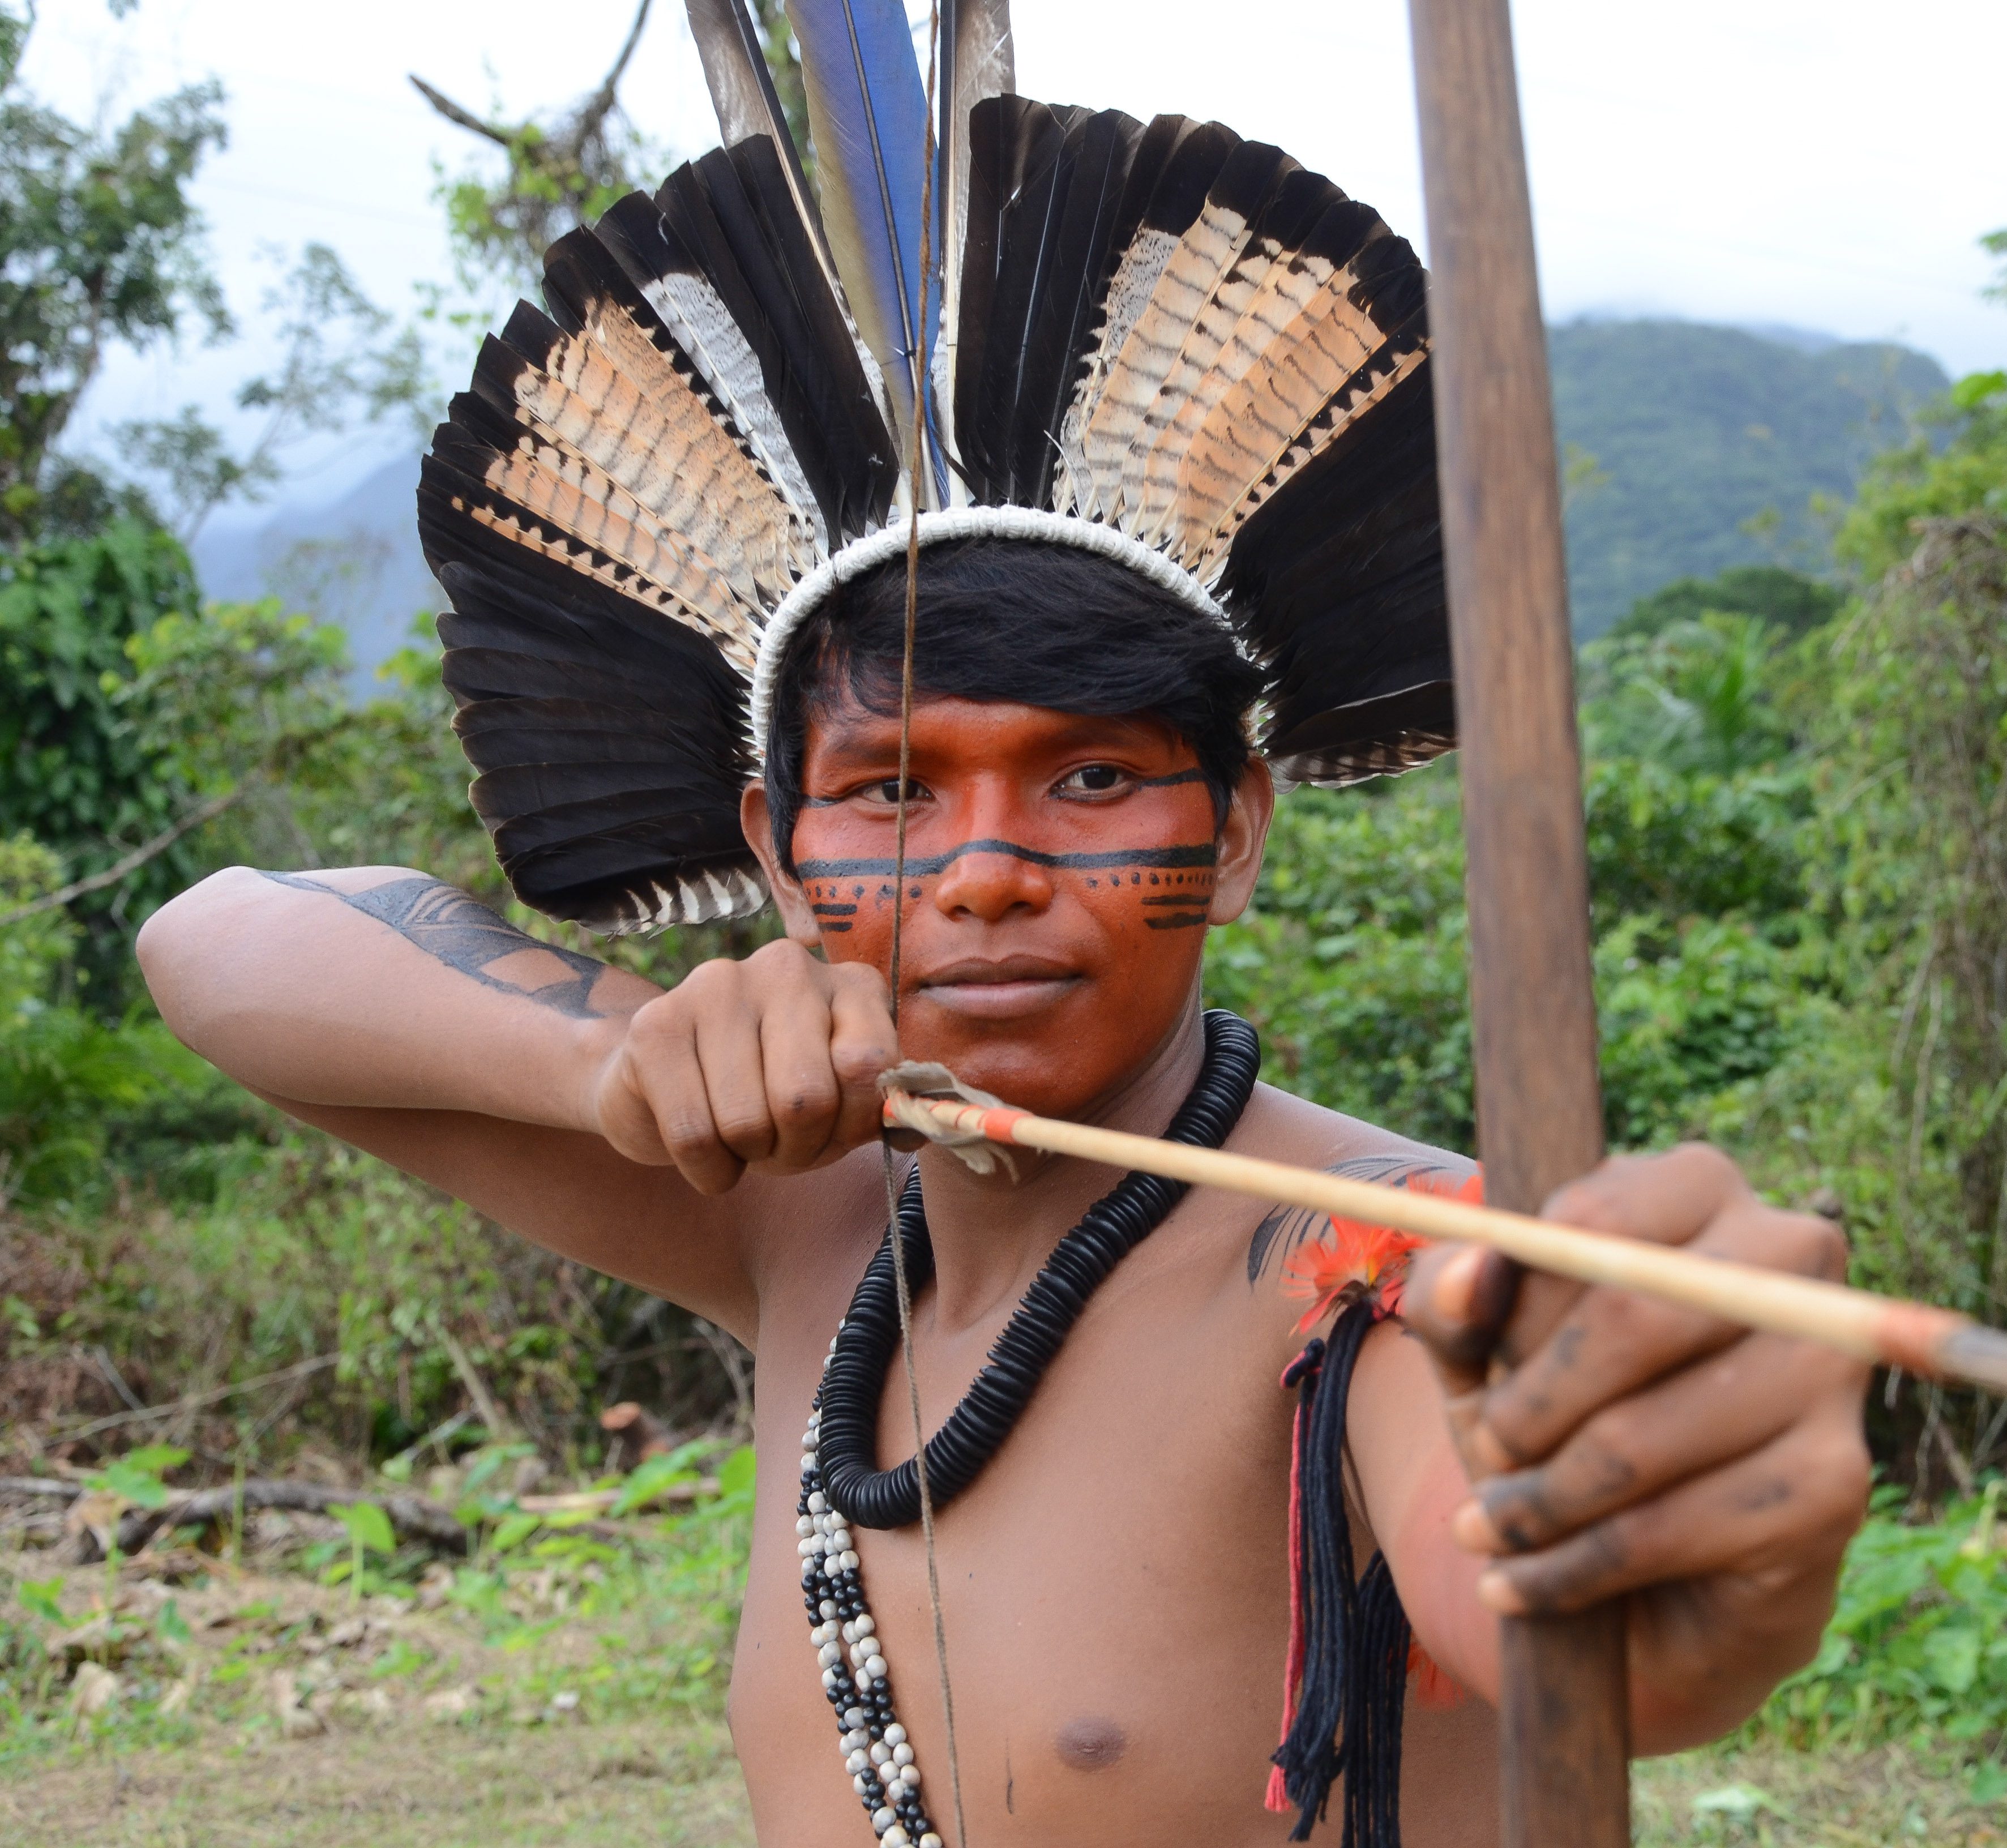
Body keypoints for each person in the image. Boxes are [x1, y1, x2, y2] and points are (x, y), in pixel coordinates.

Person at [138, 37, 1871, 1848]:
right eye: (890, 792)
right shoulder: (804, 1223)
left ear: (1241, 827)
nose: (981, 872)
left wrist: (1669, 1519)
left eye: (1098, 778)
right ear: (776, 850)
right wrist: (611, 1059)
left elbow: (1568, 1590)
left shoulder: (1374, 1270)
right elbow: (223, 945)